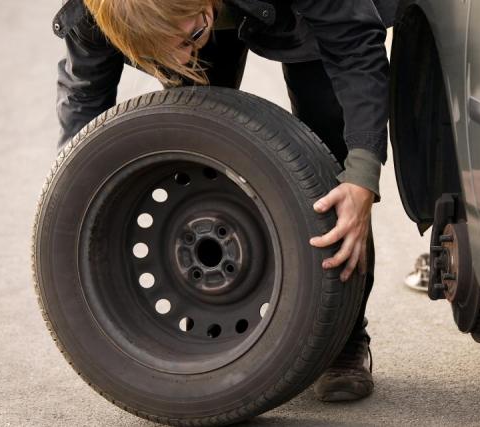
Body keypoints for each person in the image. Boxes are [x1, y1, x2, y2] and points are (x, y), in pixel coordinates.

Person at [52, 0, 397, 402]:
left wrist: (361, 175)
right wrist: (67, 203)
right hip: (187, 16)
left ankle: (344, 338)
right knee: (199, 139)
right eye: (160, 54)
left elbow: (354, 45)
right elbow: (84, 100)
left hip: (307, 13)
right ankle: (218, 330)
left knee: (331, 155)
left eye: (190, 40)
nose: (185, 57)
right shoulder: (95, 15)